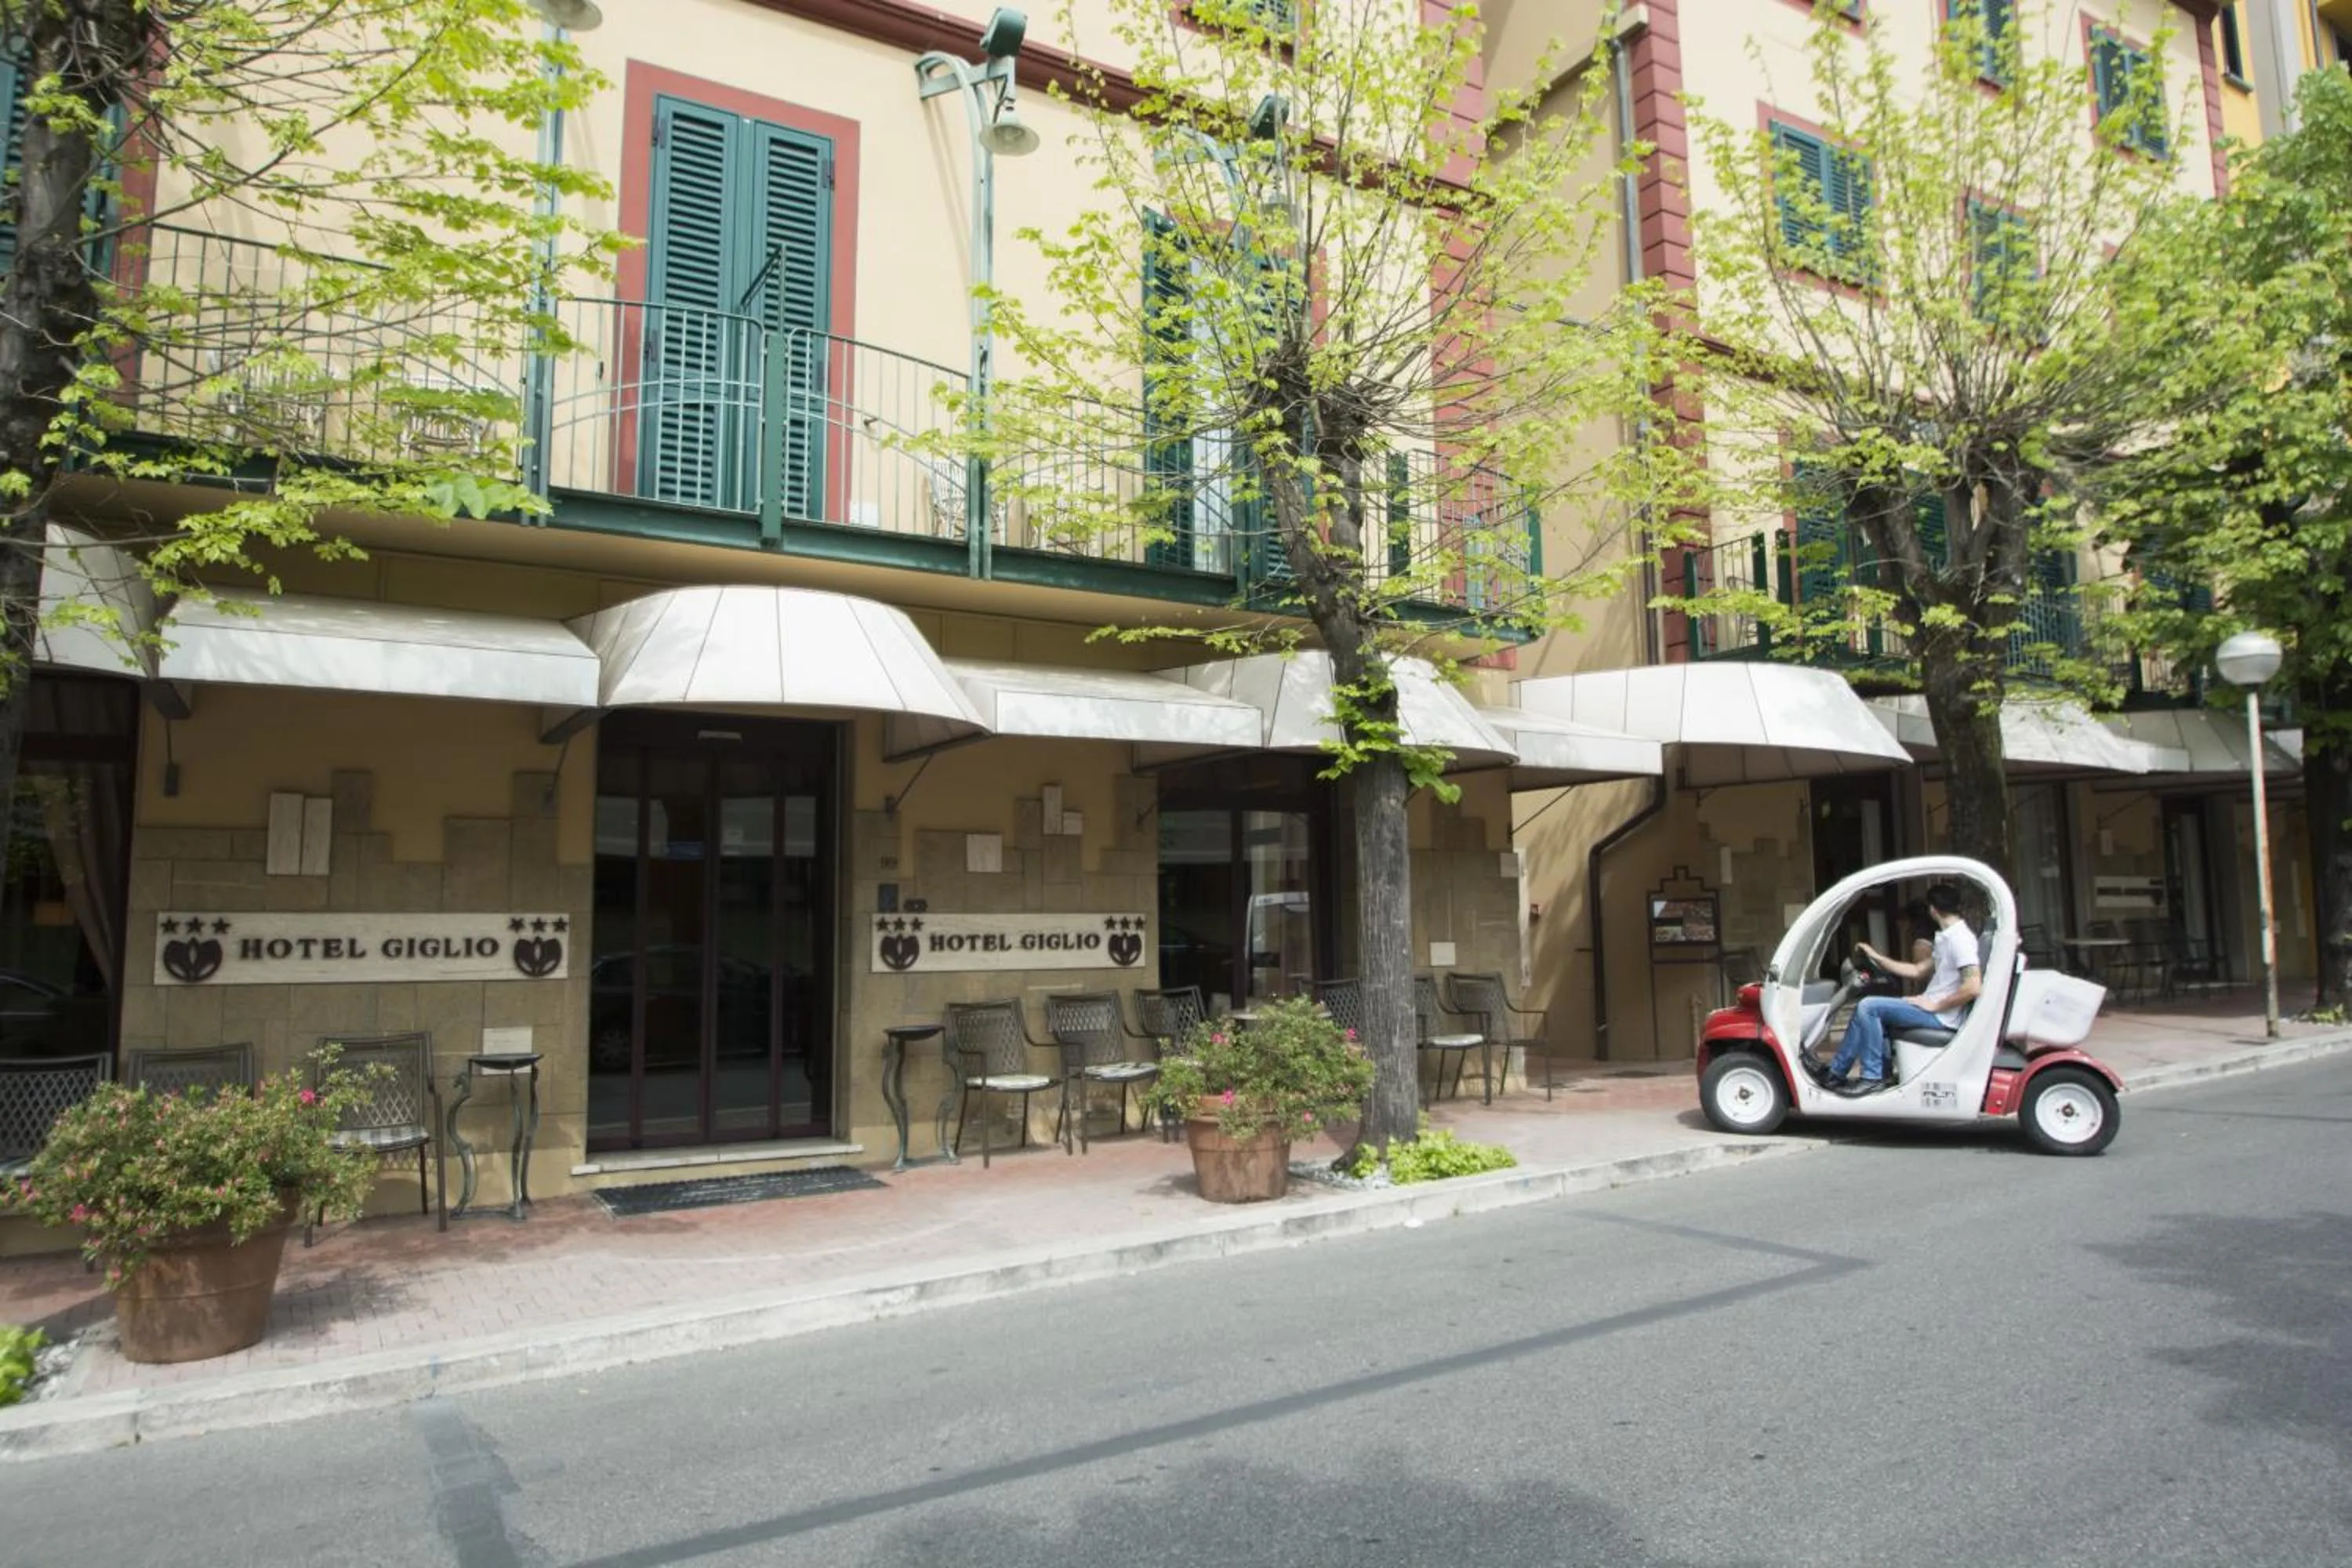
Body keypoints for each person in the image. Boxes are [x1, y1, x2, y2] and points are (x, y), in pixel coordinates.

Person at [1823, 881, 1980, 1092]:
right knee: (1865, 1010)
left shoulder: (1960, 940)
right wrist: (1876, 957)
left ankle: (1871, 1078)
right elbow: (1916, 970)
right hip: (1933, 1007)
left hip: (1941, 1016)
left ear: (1932, 909)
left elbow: (1973, 987)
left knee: (1869, 1007)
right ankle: (1837, 1073)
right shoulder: (1948, 937)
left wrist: (1936, 1006)